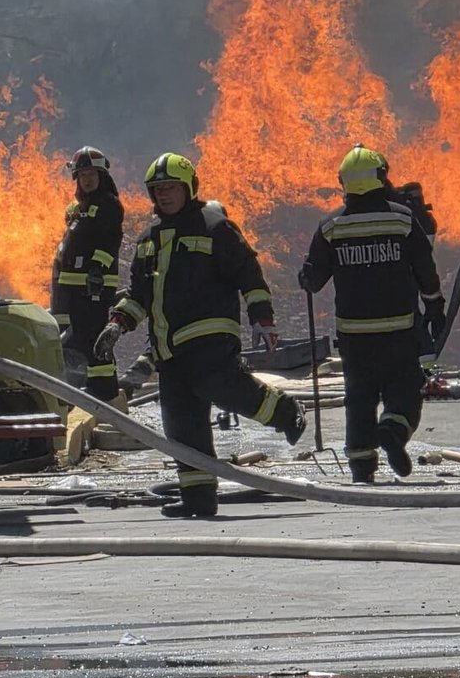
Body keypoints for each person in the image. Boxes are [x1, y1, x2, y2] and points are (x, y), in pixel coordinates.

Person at [94, 152, 306, 517]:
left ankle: (286, 411)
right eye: (157, 189)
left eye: (170, 187)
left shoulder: (214, 226)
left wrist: (262, 318)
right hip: (169, 350)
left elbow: (248, 274)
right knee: (181, 425)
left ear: (189, 188)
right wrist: (117, 324)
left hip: (210, 336)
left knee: (222, 387)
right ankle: (198, 498)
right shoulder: (148, 240)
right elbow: (139, 296)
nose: (163, 194)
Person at [299, 145, 444, 483]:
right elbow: (425, 267)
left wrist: (305, 276)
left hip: (355, 336)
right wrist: (435, 305)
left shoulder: (331, 226)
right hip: (399, 331)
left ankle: (362, 466)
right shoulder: (402, 219)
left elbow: (314, 280)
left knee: (359, 399)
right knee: (405, 389)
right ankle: (393, 429)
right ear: (381, 177)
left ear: (343, 182)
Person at [50, 146, 124, 401]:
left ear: (102, 176)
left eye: (92, 174)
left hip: (92, 286)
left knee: (93, 337)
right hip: (73, 286)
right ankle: (91, 387)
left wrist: (98, 269)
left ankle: (105, 391)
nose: (87, 179)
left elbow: (111, 240)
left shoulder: (108, 205)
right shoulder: (82, 207)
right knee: (79, 338)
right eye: (82, 175)